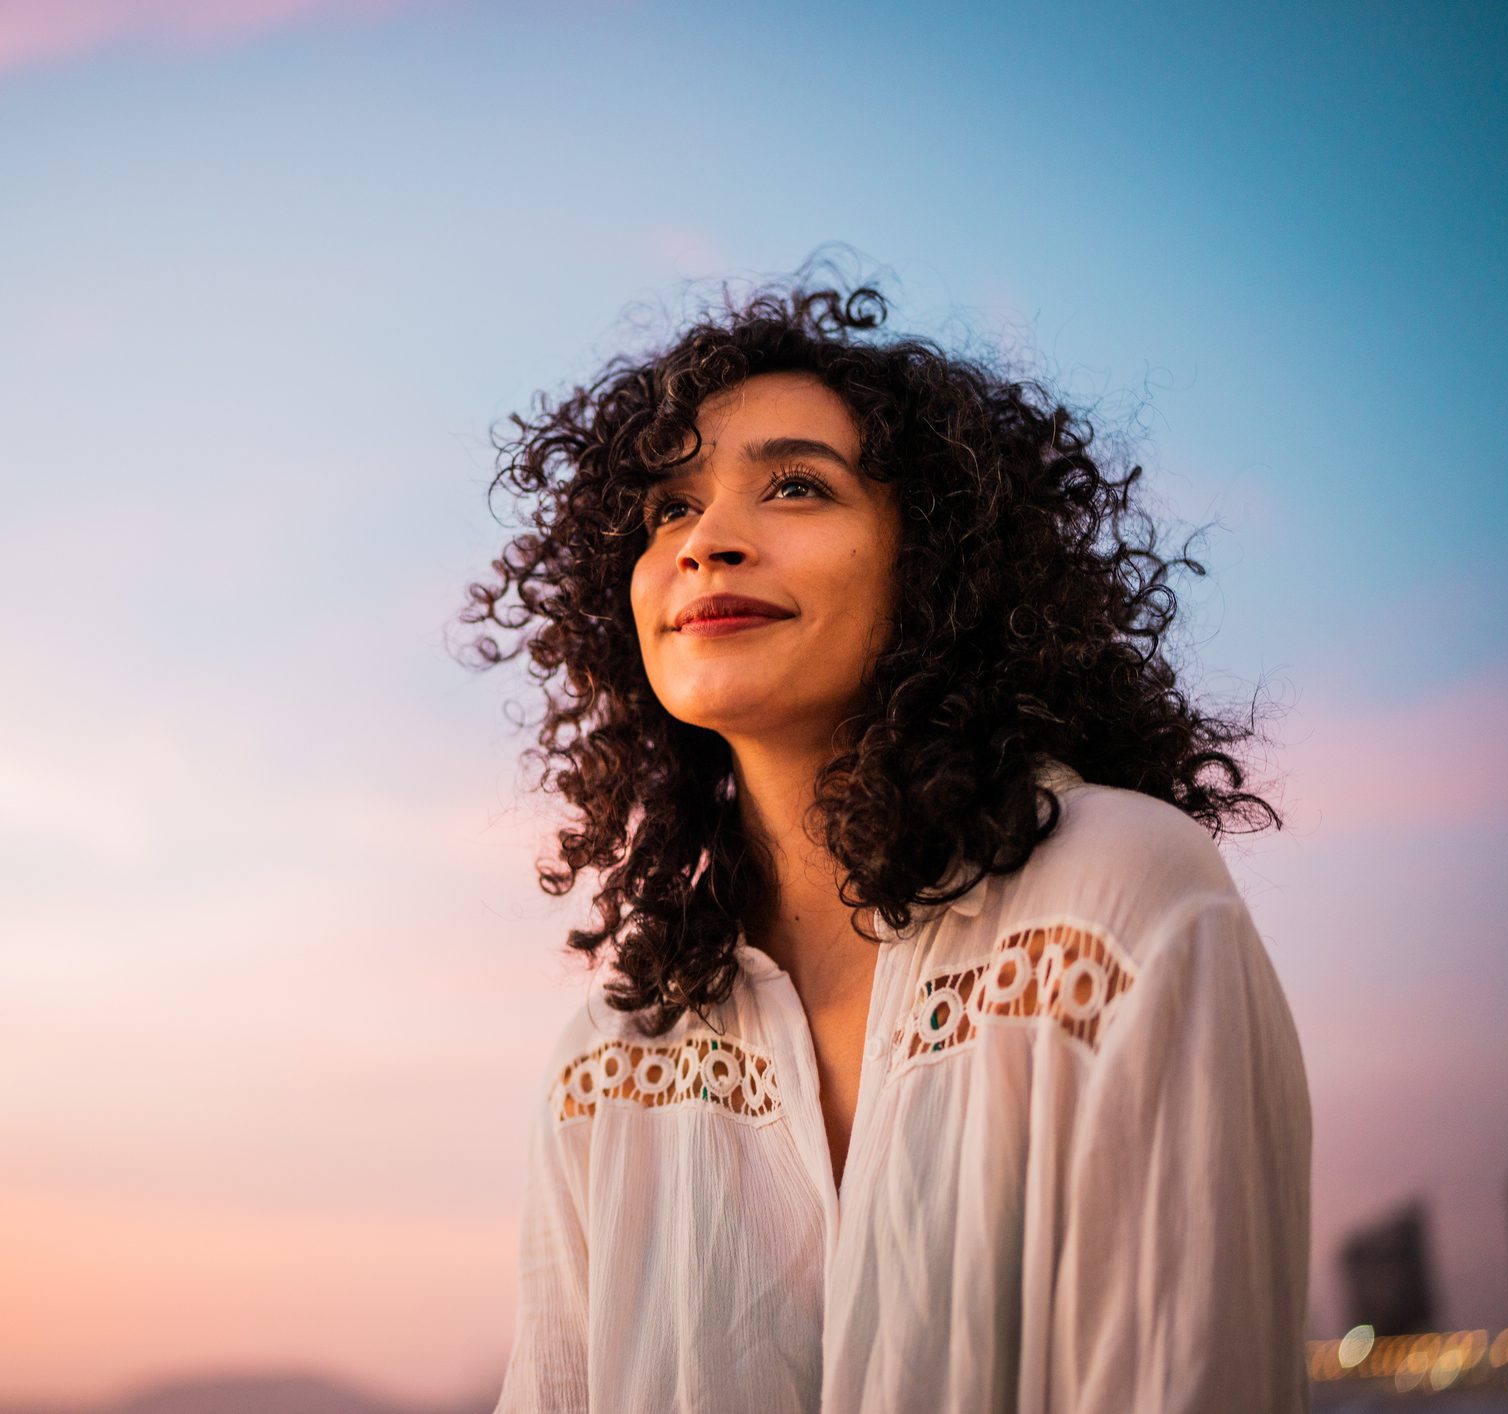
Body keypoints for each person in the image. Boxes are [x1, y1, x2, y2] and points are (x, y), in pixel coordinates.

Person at [458, 261, 1313, 1413]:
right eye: (669, 508)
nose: (705, 540)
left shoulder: (1116, 902)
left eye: (795, 488)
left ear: (940, 565)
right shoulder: (611, 1056)